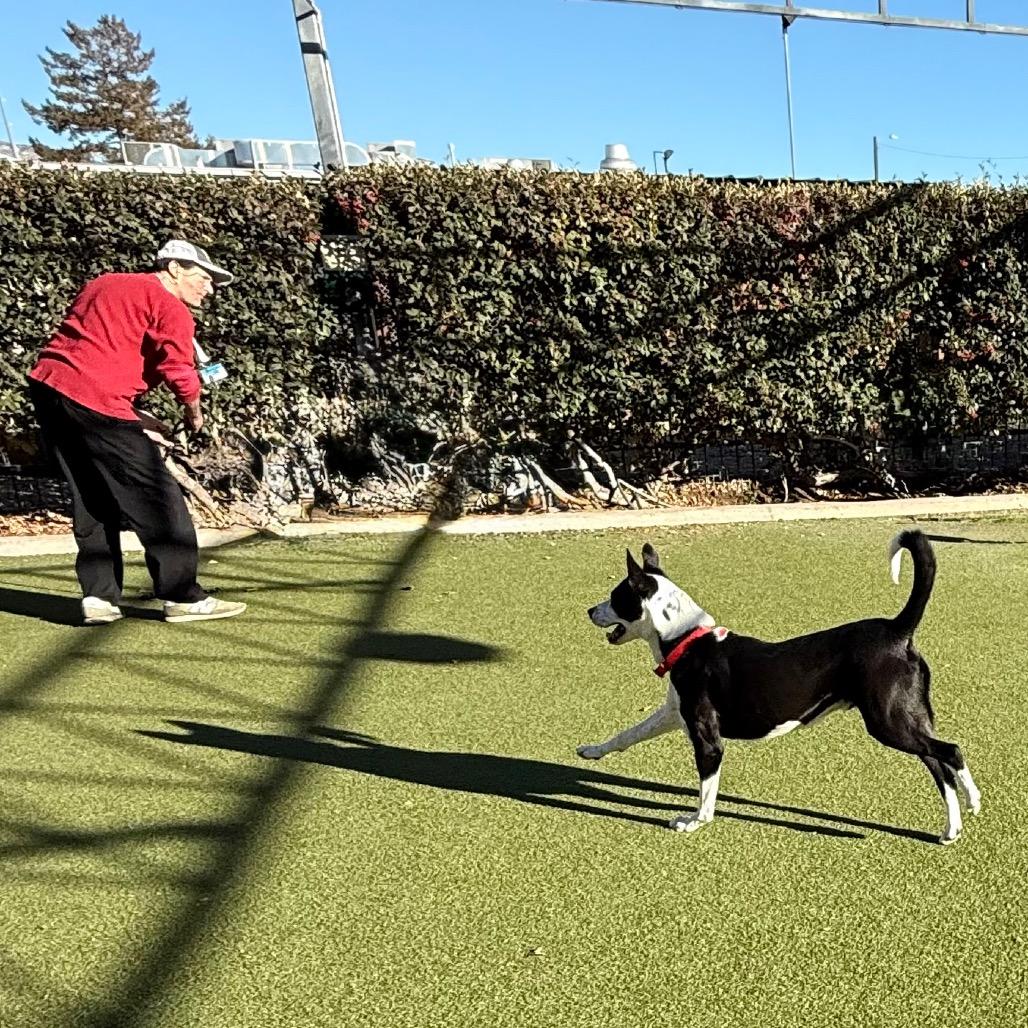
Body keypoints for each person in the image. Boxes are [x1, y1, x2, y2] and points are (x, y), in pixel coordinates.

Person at [28, 239, 247, 626]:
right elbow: (179, 372)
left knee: (90, 494)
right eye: (204, 277)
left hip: (50, 390)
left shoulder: (104, 283)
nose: (210, 289)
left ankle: (99, 598)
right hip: (95, 402)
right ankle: (183, 598)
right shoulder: (171, 308)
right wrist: (193, 411)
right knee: (160, 498)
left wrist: (136, 418)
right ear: (174, 268)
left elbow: (93, 356)